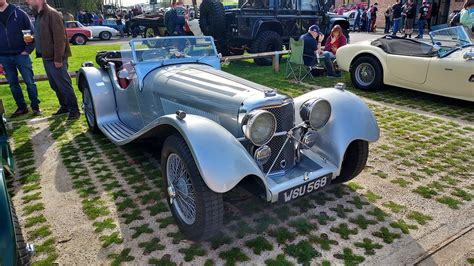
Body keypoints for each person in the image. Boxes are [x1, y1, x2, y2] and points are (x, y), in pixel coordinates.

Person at [28, 0, 80, 120]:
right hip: (47, 56)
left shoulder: (52, 13)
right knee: (55, 85)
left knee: (64, 85)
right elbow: (44, 34)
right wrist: (34, 38)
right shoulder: (39, 14)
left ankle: (74, 110)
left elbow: (60, 38)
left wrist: (58, 58)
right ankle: (65, 106)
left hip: (55, 57)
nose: (27, 1)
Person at [0, 0, 41, 117]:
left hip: (21, 55)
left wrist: (27, 51)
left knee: (30, 82)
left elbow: (31, 34)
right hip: (4, 57)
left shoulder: (20, 13)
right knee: (13, 84)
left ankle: (35, 106)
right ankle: (22, 107)